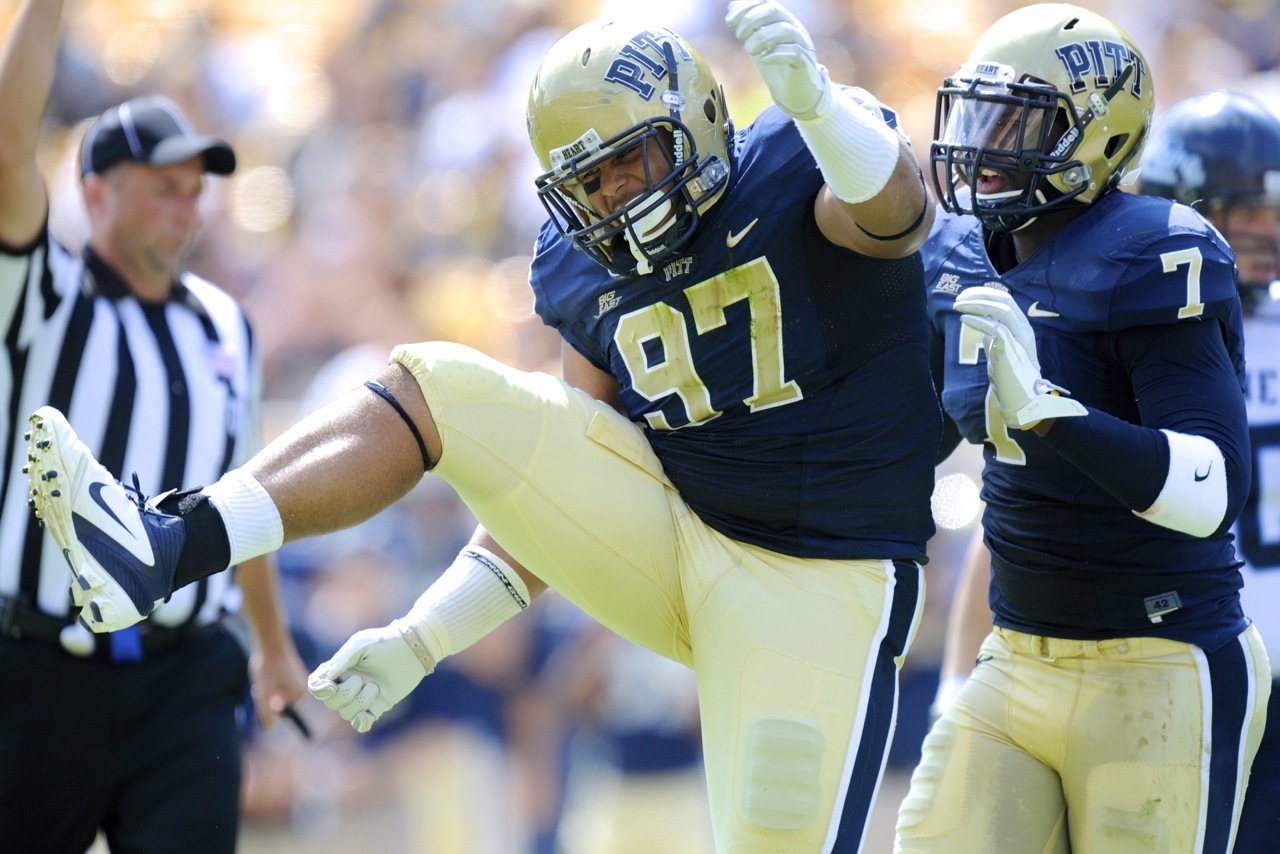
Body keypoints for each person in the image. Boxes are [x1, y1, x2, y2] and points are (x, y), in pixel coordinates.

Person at [26, 0, 941, 850]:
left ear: (696, 124)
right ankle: (167, 543)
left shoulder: (798, 153)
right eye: (593, 181)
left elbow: (893, 220)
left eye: (635, 158)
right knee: (442, 384)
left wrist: (821, 110)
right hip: (678, 534)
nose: (621, 195)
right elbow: (558, 474)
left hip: (822, 577)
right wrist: (424, 635)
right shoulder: (582, 269)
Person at [894, 6, 1271, 853]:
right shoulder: (961, 251)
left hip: (1161, 659)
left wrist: (1055, 415)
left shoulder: (1158, 251)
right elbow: (907, 441)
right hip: (1019, 654)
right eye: (979, 115)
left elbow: (1211, 488)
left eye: (1017, 121)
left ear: (1097, 137)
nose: (985, 145)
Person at [0, 1, 309, 852]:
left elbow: (245, 496)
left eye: (196, 193)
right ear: (95, 191)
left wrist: (272, 648)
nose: (187, 211)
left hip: (186, 676)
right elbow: (5, 143)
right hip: (37, 671)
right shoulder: (43, 292)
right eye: (164, 190)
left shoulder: (224, 322)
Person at [1135, 90, 1280, 853]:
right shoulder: (1139, 335)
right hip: (1185, 672)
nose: (1264, 231)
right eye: (1242, 210)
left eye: (1272, 210)